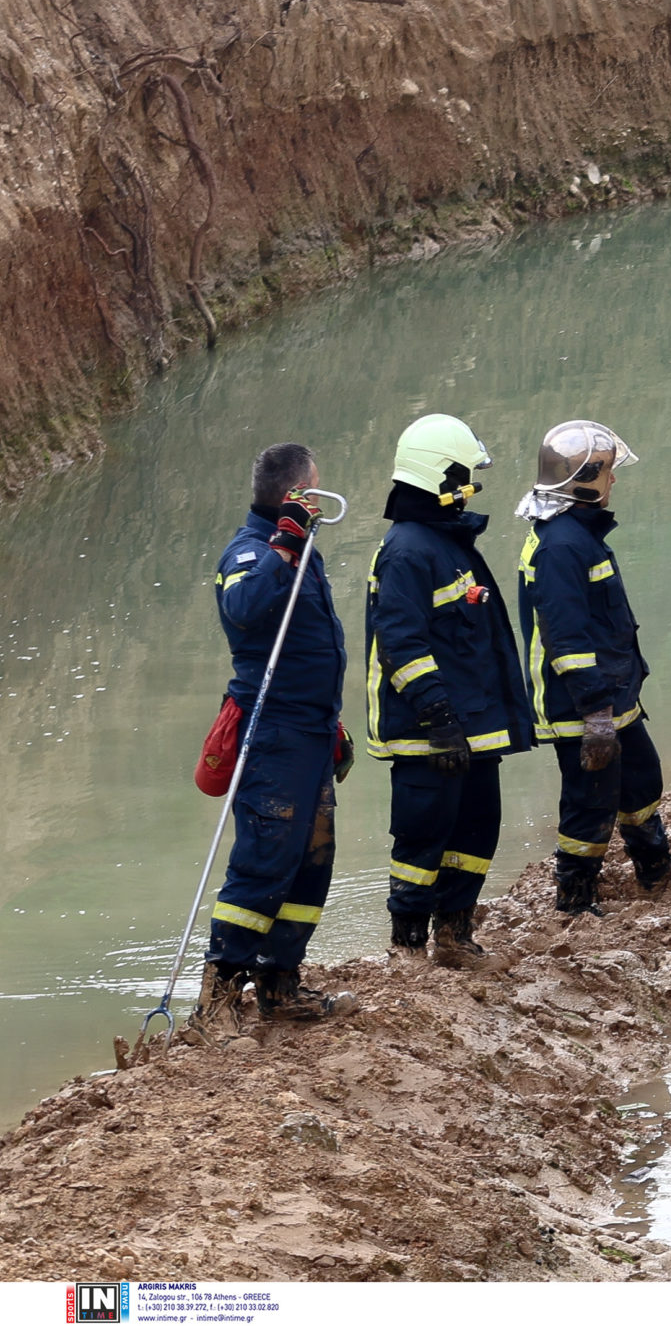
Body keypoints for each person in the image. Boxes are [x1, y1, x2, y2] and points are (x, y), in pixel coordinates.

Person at [365, 412, 535, 972]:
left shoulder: (447, 542)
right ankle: (408, 947)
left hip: (473, 728)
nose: (471, 485)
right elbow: (401, 644)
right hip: (430, 735)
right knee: (421, 841)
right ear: (440, 474)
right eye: (464, 473)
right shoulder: (410, 551)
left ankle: (456, 936)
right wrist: (438, 717)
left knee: (477, 830)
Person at [195, 443, 356, 1036]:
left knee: (312, 861)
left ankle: (279, 983)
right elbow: (243, 608)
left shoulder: (302, 551)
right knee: (265, 860)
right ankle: (215, 1000)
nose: (320, 498)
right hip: (272, 731)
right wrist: (284, 545)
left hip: (310, 727)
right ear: (298, 496)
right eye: (314, 489)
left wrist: (330, 720)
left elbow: (308, 648)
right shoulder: (249, 551)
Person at [515, 420, 671, 917]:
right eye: (609, 472)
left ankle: (655, 865)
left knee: (640, 779)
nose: (613, 481)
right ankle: (574, 897)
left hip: (610, 692)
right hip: (580, 701)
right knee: (589, 800)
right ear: (585, 478)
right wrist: (595, 712)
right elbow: (567, 638)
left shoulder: (577, 534)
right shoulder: (562, 545)